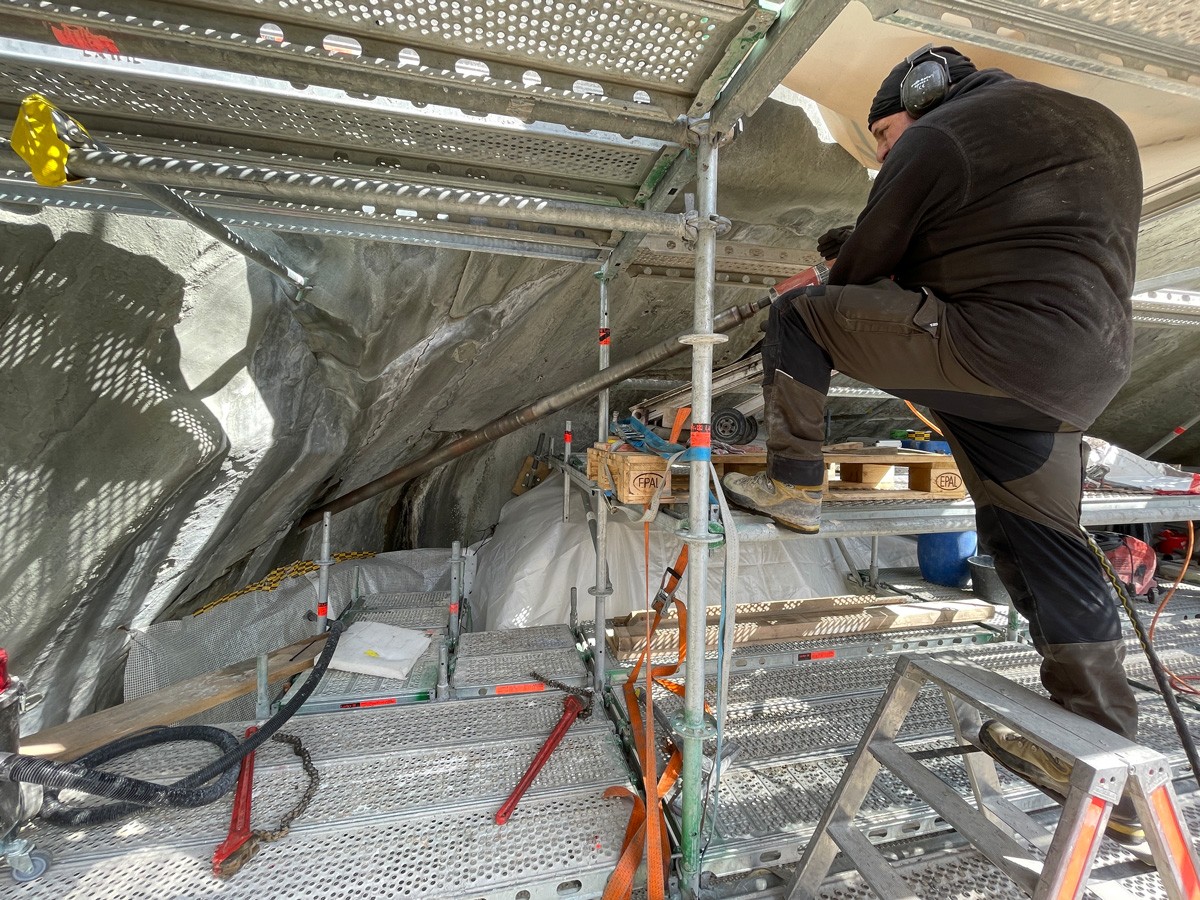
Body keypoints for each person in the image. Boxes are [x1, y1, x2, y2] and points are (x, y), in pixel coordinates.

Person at [723, 46, 1146, 843]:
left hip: (996, 349)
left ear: (921, 96)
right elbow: (990, 247)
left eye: (882, 134)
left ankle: (792, 484)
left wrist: (830, 269)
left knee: (803, 315)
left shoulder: (941, 135)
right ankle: (1107, 763)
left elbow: (866, 266)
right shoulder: (1091, 129)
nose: (882, 151)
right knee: (1044, 545)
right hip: (1077, 376)